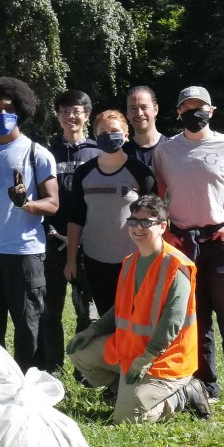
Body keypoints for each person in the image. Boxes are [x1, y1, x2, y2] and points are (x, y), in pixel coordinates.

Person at [153, 86, 224, 404]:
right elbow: (159, 195)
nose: (194, 112)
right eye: (187, 107)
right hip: (184, 244)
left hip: (221, 242)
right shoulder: (165, 152)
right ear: (178, 113)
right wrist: (164, 232)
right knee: (196, 315)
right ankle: (206, 383)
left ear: (212, 111)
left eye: (200, 107)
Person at [66, 195, 212, 424]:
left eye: (146, 223)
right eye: (133, 221)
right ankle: (124, 391)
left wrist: (147, 357)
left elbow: (172, 321)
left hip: (163, 359)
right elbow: (119, 309)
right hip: (129, 350)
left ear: (163, 226)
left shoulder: (176, 266)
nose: (138, 228)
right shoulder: (130, 262)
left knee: (128, 420)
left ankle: (184, 393)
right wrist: (92, 331)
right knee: (80, 353)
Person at [0, 77, 59, 371]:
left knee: (28, 325)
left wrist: (26, 204)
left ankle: (26, 383)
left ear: (20, 111)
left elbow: (53, 204)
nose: (1, 114)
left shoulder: (37, 154)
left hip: (24, 254)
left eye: (8, 108)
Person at [65, 110, 156, 315]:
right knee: (106, 320)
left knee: (135, 319)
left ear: (126, 135)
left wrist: (152, 258)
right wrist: (71, 260)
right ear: (96, 137)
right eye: (103, 131)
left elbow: (154, 219)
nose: (108, 135)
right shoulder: (84, 173)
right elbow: (75, 218)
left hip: (134, 260)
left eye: (114, 131)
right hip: (95, 260)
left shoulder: (141, 172)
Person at [35, 90, 101, 370]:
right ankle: (52, 367)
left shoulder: (98, 151)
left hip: (90, 242)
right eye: (64, 111)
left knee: (85, 311)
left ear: (87, 115)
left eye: (76, 111)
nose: (70, 116)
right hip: (52, 240)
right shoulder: (46, 152)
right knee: (50, 309)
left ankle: (83, 368)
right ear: (58, 115)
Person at [123, 86, 167, 168]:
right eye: (133, 109)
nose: (139, 113)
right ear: (127, 114)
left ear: (156, 109)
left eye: (144, 107)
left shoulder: (171, 148)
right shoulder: (121, 154)